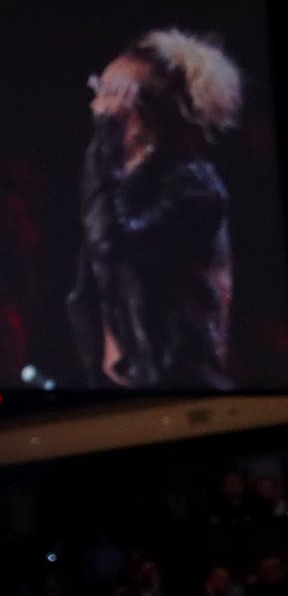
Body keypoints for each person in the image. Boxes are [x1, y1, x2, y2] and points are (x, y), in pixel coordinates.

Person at [72, 29, 243, 391]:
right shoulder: (118, 186)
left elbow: (113, 244)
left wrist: (105, 142)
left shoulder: (195, 186)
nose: (99, 107)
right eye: (99, 89)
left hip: (179, 388)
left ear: (148, 108)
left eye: (113, 95)